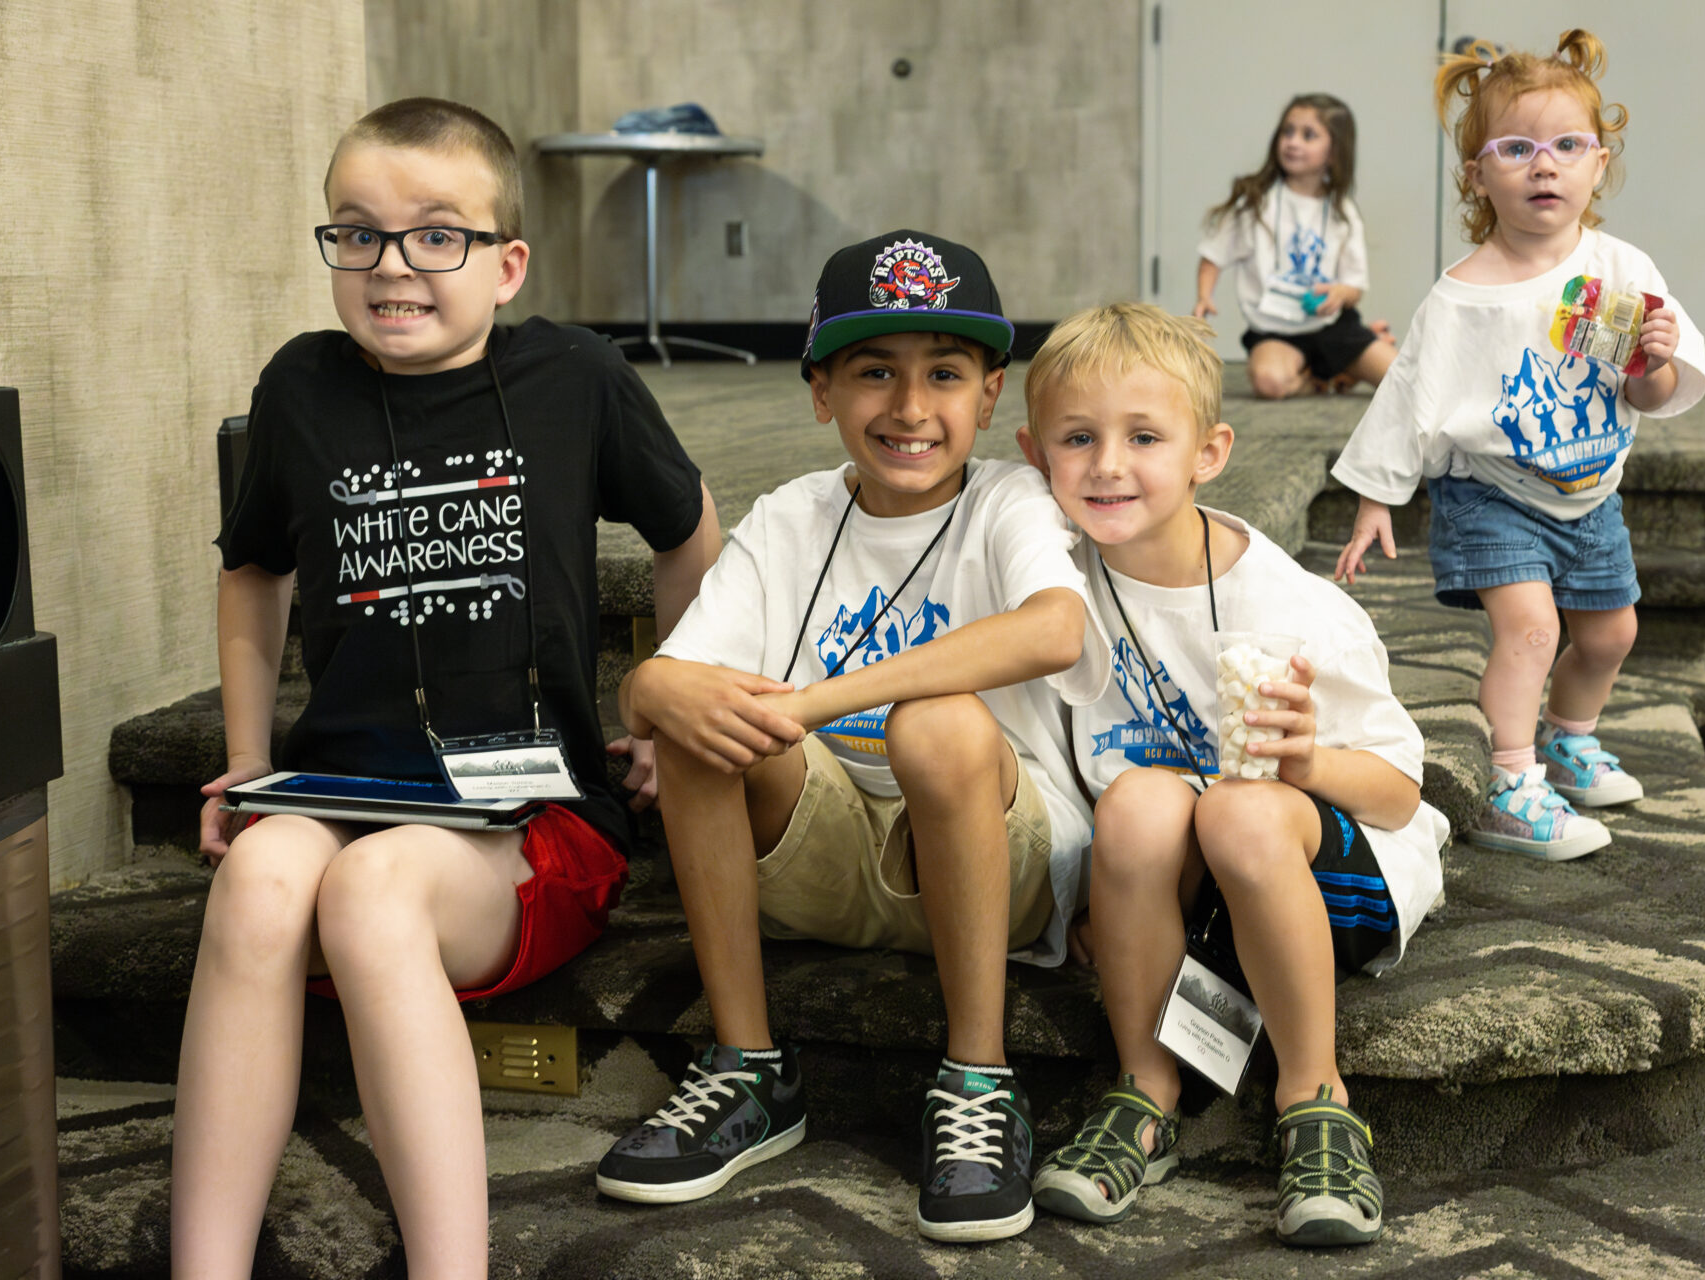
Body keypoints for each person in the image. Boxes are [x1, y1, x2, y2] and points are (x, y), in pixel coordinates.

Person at [174, 98, 718, 1278]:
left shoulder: (576, 376)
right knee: (263, 878)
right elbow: (252, 569)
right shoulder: (301, 389)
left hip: (527, 823)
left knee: (374, 889)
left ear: (506, 262)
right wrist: (247, 750)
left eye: (436, 235)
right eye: (356, 233)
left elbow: (690, 533)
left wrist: (663, 708)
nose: (392, 266)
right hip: (345, 780)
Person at [592, 230, 1104, 1243]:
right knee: (705, 714)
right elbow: (659, 686)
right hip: (815, 857)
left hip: (994, 858)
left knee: (941, 727)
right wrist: (651, 688)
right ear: (822, 391)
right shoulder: (790, 516)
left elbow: (1056, 627)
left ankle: (979, 1081)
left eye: (944, 375)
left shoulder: (1009, 500)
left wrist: (815, 702)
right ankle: (748, 1068)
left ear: (991, 395)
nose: (910, 409)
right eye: (875, 372)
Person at [1015, 302, 1447, 1246]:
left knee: (1244, 810)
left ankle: (1315, 1098)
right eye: (1077, 438)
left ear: (1208, 453)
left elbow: (1401, 793)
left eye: (1144, 436)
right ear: (1033, 453)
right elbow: (1052, 769)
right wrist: (1083, 897)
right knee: (1138, 805)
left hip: (1333, 886)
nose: (1108, 465)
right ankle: (1146, 1092)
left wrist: (1307, 762)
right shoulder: (1051, 591)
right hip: (1183, 896)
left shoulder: (1292, 605)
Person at [1332, 30, 1705, 861]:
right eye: (1517, 148)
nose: (1546, 165)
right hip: (1493, 494)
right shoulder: (1461, 298)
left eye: (1568, 145)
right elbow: (1408, 401)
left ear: (1598, 164)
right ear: (1477, 175)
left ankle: (1570, 737)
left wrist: (1655, 358)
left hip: (1589, 492)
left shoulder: (1617, 270)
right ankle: (1511, 782)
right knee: (1534, 629)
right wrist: (1375, 498)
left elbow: (1649, 393)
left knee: (1611, 635)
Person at [1194, 93, 1396, 399]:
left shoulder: (1343, 211)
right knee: (1270, 383)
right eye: (1287, 132)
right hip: (1275, 332)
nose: (1293, 142)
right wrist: (1204, 296)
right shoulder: (1254, 202)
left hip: (1333, 328)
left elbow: (1355, 288)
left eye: (1308, 135)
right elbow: (1213, 255)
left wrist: (1340, 293)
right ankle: (1327, 374)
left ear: (1334, 152)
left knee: (1401, 379)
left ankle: (1354, 353)